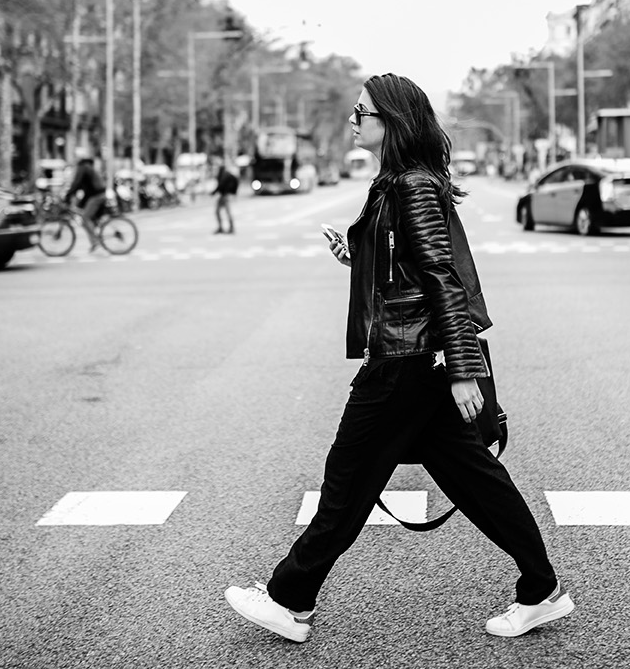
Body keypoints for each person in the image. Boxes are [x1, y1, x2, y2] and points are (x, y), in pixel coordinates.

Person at [224, 73, 572, 644]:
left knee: (348, 477)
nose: (353, 121)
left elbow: (444, 278)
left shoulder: (411, 186)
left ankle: (290, 598)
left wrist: (464, 369)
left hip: (410, 359)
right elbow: (409, 267)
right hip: (415, 355)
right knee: (477, 481)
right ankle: (542, 592)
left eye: (362, 113)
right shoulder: (398, 184)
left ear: (391, 121)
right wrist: (356, 256)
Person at [64, 148, 106, 247]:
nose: (73, 159)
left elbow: (76, 183)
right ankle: (94, 237)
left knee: (85, 218)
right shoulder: (87, 166)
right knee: (83, 212)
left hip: (96, 195)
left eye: (74, 156)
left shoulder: (83, 167)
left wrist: (68, 195)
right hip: (94, 194)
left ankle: (95, 241)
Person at [214, 163, 239, 234]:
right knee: (219, 211)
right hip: (224, 195)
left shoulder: (225, 176)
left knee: (225, 211)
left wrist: (213, 192)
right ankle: (223, 227)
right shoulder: (226, 175)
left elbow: (221, 186)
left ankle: (229, 227)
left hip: (225, 195)